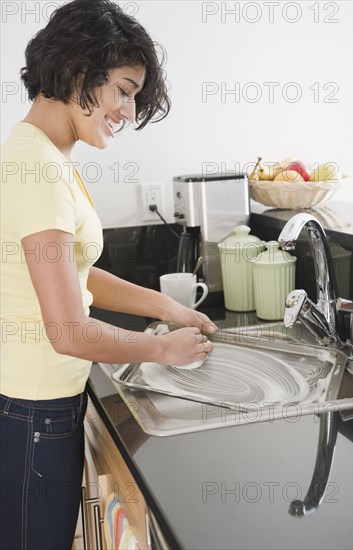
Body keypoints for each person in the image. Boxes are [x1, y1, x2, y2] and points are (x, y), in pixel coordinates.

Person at [0, 1, 217, 548]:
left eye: (134, 96)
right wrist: (163, 350)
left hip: (37, 404)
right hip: (33, 411)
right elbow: (69, 331)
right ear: (79, 70)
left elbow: (79, 274)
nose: (127, 109)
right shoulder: (38, 170)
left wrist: (167, 308)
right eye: (123, 88)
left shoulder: (45, 156)